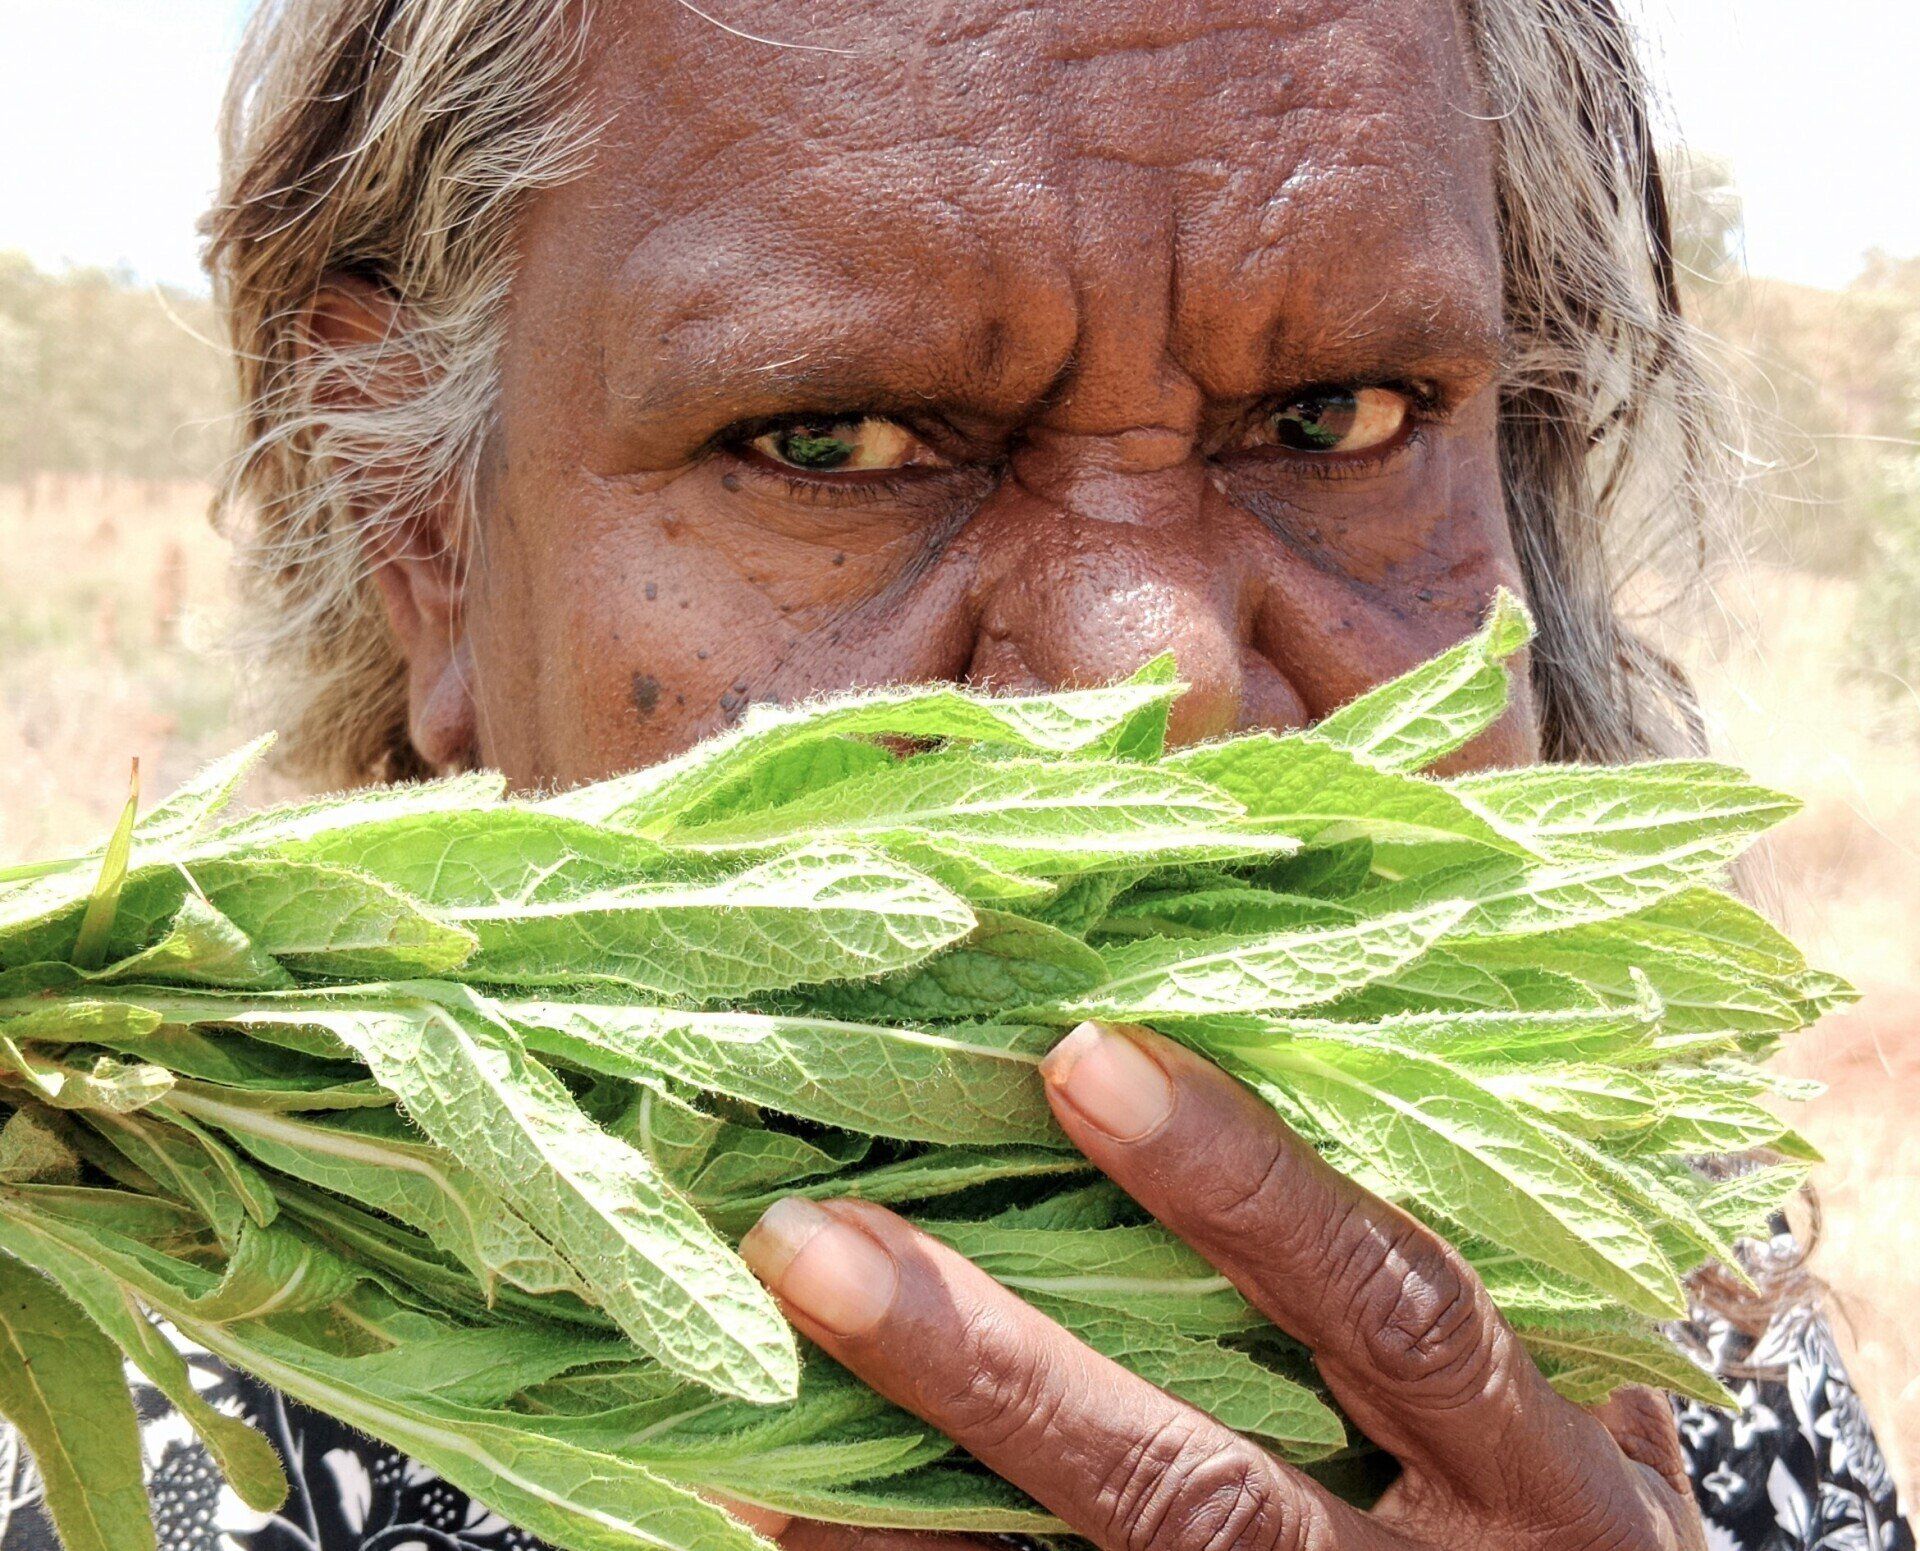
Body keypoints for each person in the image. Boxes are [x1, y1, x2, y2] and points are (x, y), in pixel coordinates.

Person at [2, 1, 1911, 1548]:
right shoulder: (151, 1459)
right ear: (424, 531)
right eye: (835, 442)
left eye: (1335, 419)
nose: (1155, 682)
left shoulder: (1667, 1386)